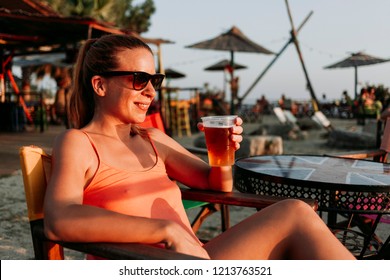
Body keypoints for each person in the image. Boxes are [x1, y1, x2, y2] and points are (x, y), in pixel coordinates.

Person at [43, 34, 355, 260]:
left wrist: (224, 154)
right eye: (139, 79)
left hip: (195, 259)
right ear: (100, 85)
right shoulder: (78, 142)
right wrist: (166, 231)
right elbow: (59, 220)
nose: (151, 90)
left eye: (155, 79)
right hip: (148, 263)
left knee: (296, 214)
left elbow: (216, 185)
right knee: (296, 215)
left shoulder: (152, 139)